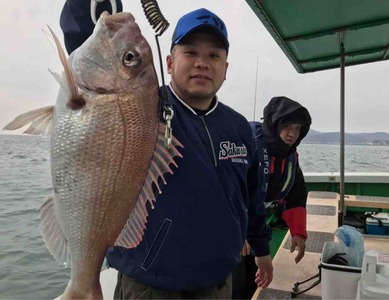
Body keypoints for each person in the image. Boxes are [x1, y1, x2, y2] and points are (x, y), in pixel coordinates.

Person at [60, 1, 274, 298]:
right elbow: (90, 49)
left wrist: (262, 249)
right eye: (190, 52)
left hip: (218, 281)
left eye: (214, 55)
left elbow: (252, 197)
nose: (202, 62)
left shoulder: (239, 127)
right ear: (170, 63)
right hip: (151, 282)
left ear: (225, 69)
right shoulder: (143, 105)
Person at [232, 96, 312, 299]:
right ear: (274, 125)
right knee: (235, 282)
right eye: (287, 126)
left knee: (255, 279)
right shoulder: (249, 144)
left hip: (259, 222)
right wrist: (241, 232)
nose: (292, 133)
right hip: (233, 223)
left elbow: (296, 194)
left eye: (297, 129)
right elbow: (232, 189)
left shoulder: (291, 156)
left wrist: (299, 234)